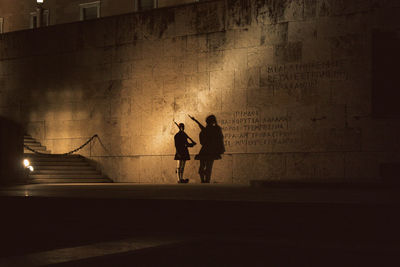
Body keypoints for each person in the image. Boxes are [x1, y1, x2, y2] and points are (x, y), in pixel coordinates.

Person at [188, 114, 225, 183]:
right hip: (211, 151)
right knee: (209, 167)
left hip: (205, 150)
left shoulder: (208, 130)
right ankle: (207, 180)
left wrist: (195, 120)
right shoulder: (216, 129)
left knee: (202, 166)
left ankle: (203, 180)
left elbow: (202, 136)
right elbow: (219, 140)